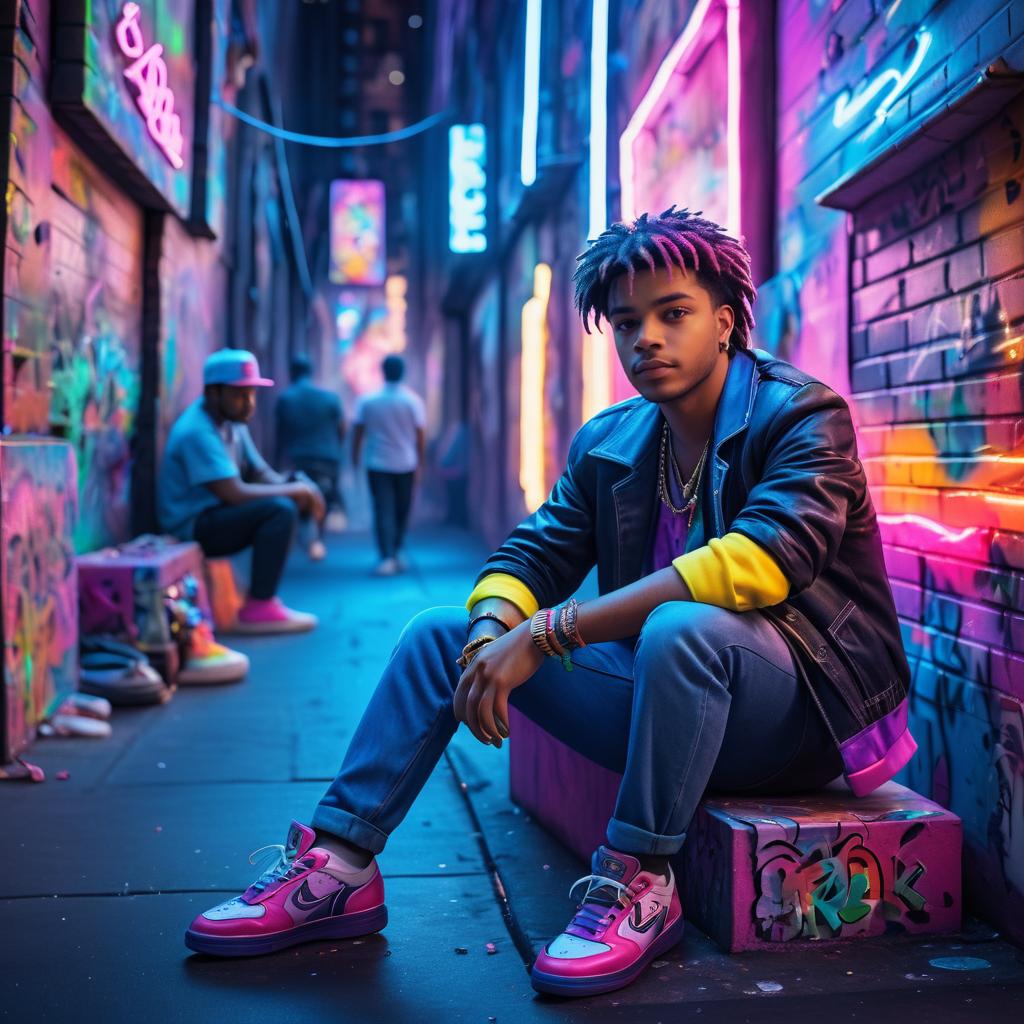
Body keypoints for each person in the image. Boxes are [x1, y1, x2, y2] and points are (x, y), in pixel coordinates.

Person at [183, 209, 913, 998]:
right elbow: (534, 551)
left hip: (798, 719)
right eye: (628, 322)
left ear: (727, 322)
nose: (647, 340)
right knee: (442, 632)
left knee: (682, 626)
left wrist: (552, 631)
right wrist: (496, 629)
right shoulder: (614, 441)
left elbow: (766, 561)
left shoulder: (801, 415)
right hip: (664, 705)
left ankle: (641, 883)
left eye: (674, 314)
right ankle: (340, 866)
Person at [160, 349, 324, 634]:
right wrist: (293, 493)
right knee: (279, 510)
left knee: (289, 494)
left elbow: (262, 474)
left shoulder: (233, 423)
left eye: (251, 394)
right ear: (213, 393)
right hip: (192, 526)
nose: (248, 403)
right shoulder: (197, 430)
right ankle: (260, 606)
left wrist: (301, 486)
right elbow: (233, 493)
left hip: (216, 514)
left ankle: (269, 594)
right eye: (239, 394)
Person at [352, 354, 426, 576]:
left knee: (383, 509)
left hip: (377, 463)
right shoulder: (412, 401)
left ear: (383, 372)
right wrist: (421, 464)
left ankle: (387, 556)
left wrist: (355, 458)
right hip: (406, 463)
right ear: (402, 372)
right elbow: (420, 435)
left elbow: (358, 433)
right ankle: (394, 551)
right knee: (402, 509)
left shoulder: (368, 401)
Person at [275, 354, 347, 561]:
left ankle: (303, 538)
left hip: (299, 457)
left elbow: (281, 433)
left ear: (292, 373)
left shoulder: (285, 398)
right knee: (324, 498)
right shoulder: (330, 397)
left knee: (300, 497)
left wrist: (278, 460)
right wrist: (336, 450)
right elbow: (341, 428)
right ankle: (318, 539)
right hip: (328, 458)